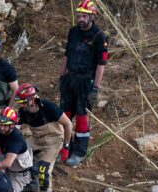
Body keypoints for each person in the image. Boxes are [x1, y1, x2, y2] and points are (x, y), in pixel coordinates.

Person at [59, 0, 108, 167]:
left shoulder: (99, 37)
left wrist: (95, 89)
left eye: (83, 16)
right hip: (69, 79)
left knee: (81, 117)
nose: (80, 19)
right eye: (78, 15)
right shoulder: (73, 32)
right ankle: (66, 147)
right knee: (64, 115)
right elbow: (66, 55)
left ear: (92, 16)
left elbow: (101, 66)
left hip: (86, 81)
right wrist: (62, 76)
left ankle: (79, 151)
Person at [15, 83, 74, 192]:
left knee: (43, 170)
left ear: (31, 99)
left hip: (54, 141)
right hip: (37, 139)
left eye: (22, 102)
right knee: (18, 153)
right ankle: (31, 185)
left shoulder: (48, 107)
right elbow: (15, 128)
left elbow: (68, 124)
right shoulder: (23, 111)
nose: (21, 105)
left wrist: (65, 147)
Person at [0, 106, 35, 192]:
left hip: (20, 175)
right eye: (0, 124)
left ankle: (28, 185)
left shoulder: (16, 139)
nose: (1, 128)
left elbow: (7, 163)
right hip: (8, 169)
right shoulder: (3, 132)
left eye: (5, 125)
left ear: (12, 125)